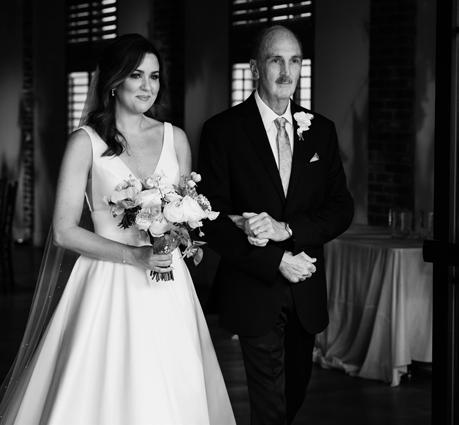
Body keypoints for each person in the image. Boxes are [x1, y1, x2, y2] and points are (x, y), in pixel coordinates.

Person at [0, 34, 235, 425]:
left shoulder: (175, 138)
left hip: (166, 285)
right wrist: (133, 255)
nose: (147, 86)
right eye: (136, 75)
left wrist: (177, 233)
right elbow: (63, 231)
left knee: (172, 385)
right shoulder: (85, 143)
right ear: (113, 81)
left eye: (154, 76)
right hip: (107, 281)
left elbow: (185, 210)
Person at [198, 25, 354, 425]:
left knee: (293, 395)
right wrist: (275, 260)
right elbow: (211, 220)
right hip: (253, 287)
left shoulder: (321, 130)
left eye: (295, 61)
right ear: (255, 68)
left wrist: (289, 231)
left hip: (306, 286)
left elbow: (341, 209)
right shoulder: (222, 131)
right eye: (276, 60)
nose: (286, 72)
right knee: (269, 405)